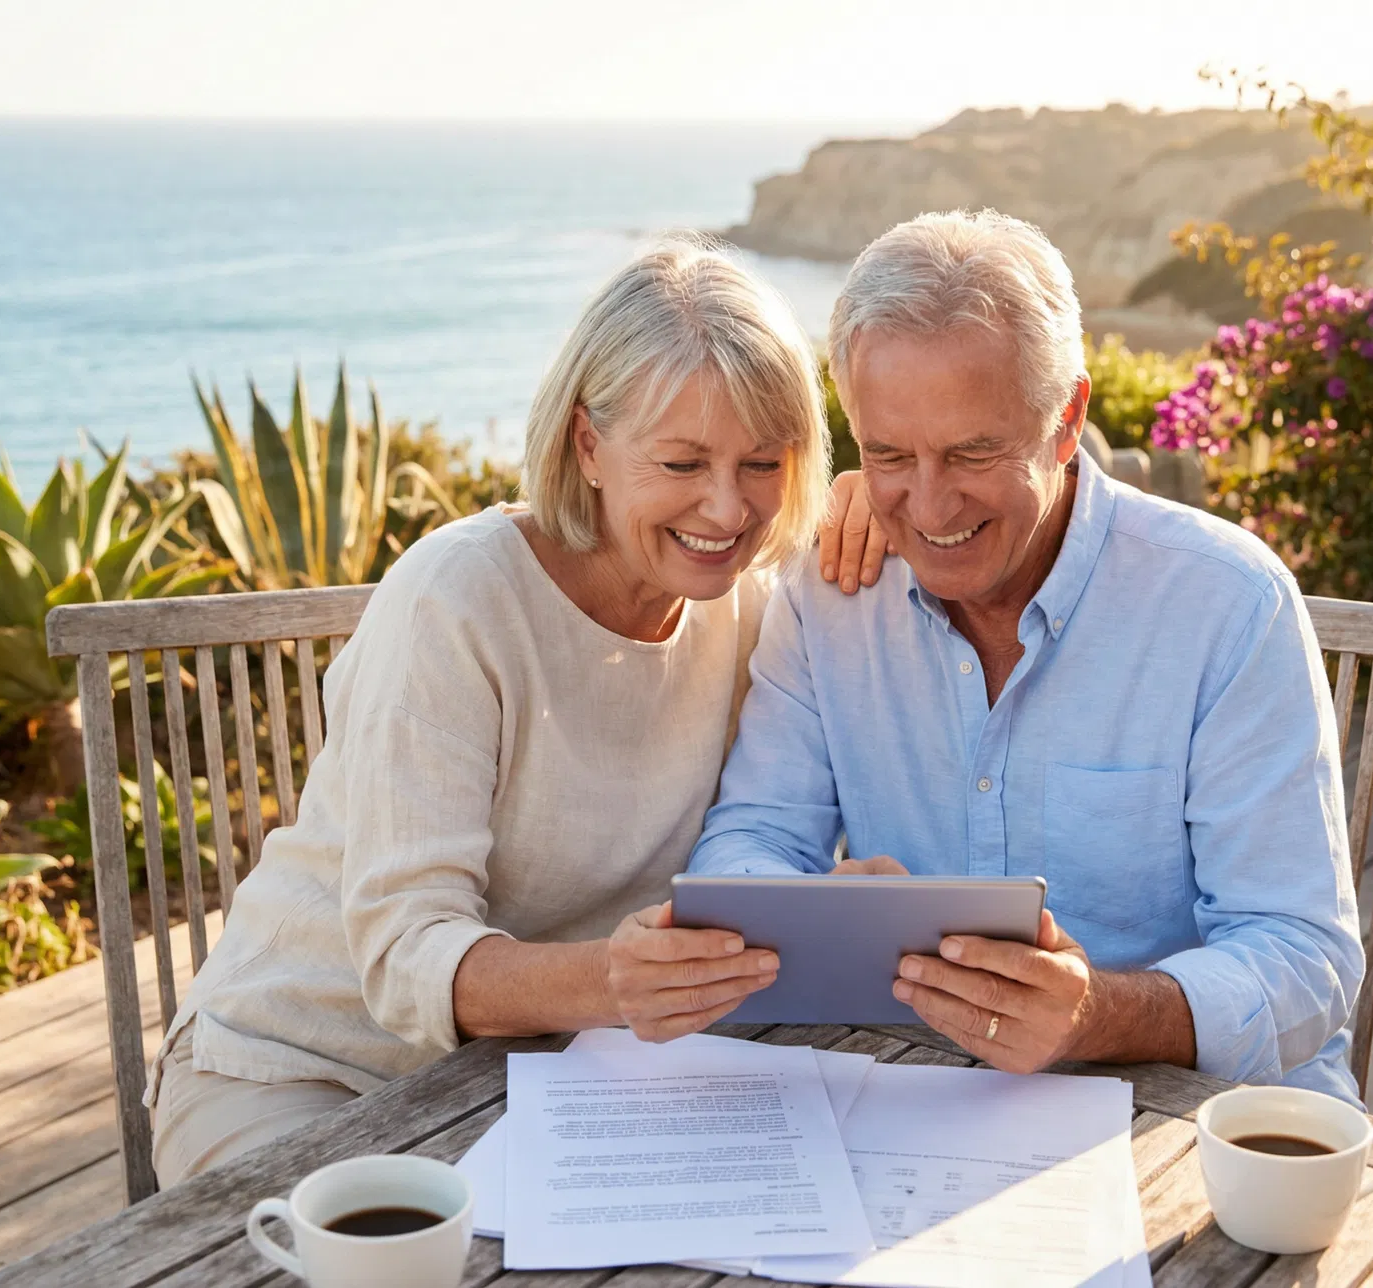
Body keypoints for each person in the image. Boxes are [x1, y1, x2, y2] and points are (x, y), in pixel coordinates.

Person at [148, 239, 884, 1183]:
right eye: (682, 461)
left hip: (546, 1074)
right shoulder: (456, 600)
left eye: (762, 462)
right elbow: (408, 950)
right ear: (588, 445)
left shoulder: (749, 606)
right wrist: (612, 983)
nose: (728, 507)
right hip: (306, 1068)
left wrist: (829, 913)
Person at [688, 210, 1365, 1103]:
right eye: (887, 452)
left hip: (1197, 1123)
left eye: (973, 451)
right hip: (927, 1100)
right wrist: (806, 911)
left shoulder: (1226, 603)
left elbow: (1306, 962)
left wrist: (1101, 1015)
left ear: (1067, 417)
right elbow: (750, 841)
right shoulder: (830, 593)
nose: (928, 508)